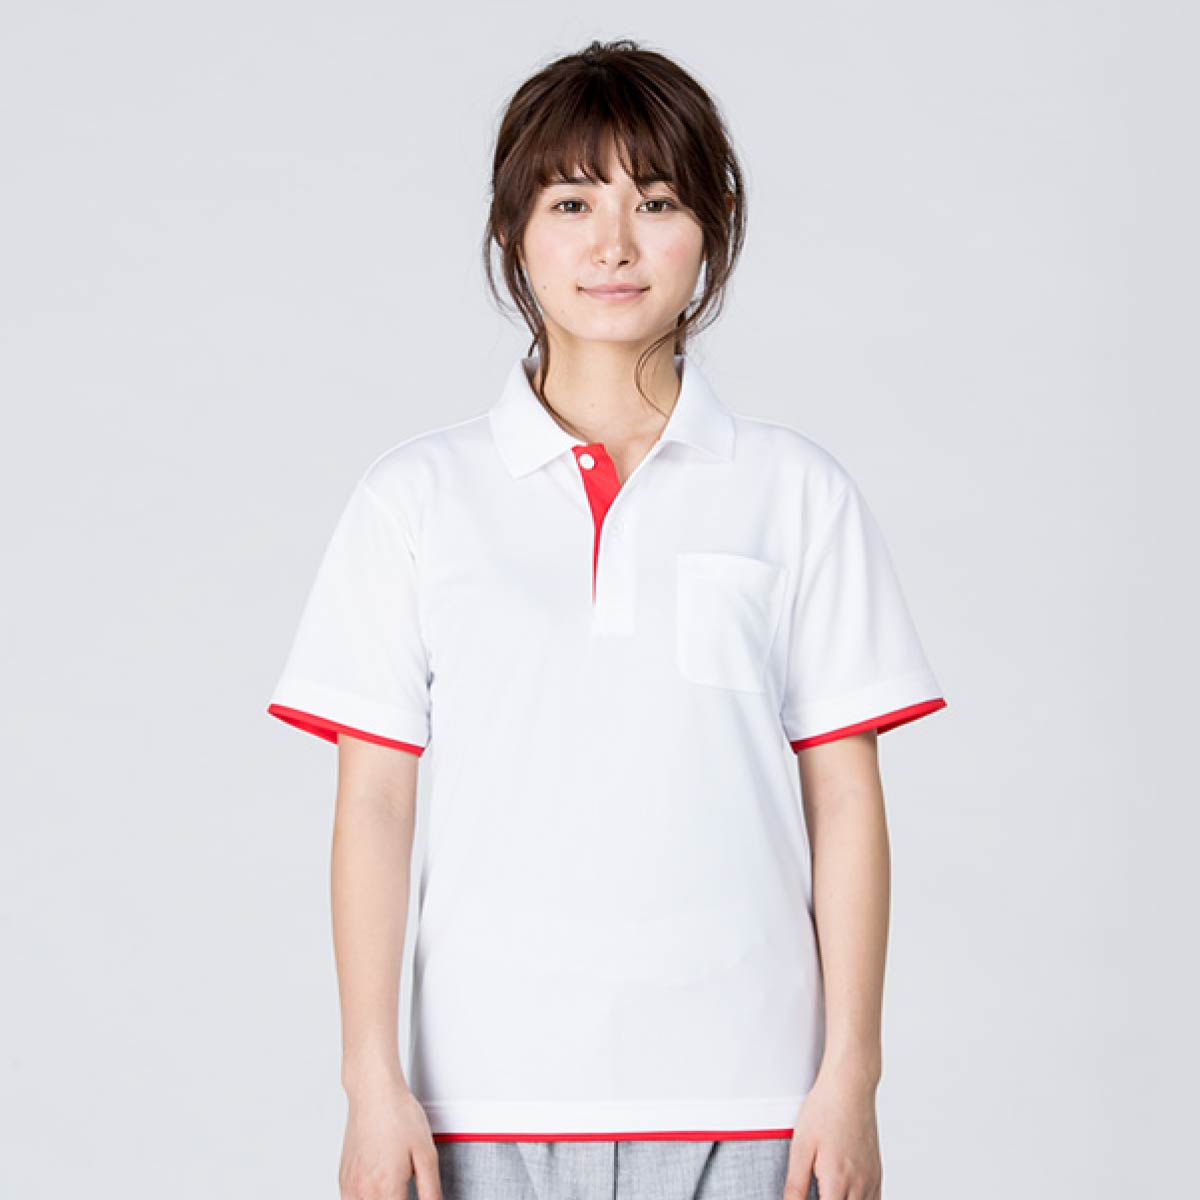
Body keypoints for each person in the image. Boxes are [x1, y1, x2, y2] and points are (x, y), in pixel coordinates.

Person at [267, 37, 947, 1200]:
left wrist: (852, 1079)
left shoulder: (795, 492)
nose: (614, 243)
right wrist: (371, 1084)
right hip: (479, 1108)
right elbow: (374, 804)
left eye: (659, 200)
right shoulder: (416, 498)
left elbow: (845, 798)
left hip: (756, 1107)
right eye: (572, 201)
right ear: (513, 231)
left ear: (713, 228)